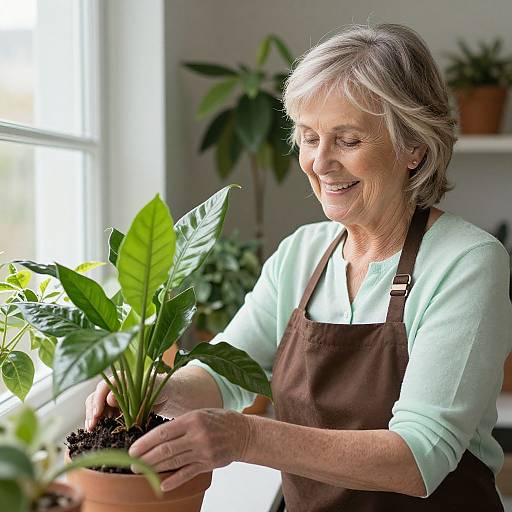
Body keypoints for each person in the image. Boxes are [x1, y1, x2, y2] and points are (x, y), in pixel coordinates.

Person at [85, 23, 512, 510]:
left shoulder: (467, 261)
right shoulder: (302, 253)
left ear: (413, 147)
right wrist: (157, 391)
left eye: (347, 140)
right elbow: (228, 372)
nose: (320, 162)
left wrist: (245, 438)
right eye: (309, 138)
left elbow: (418, 458)